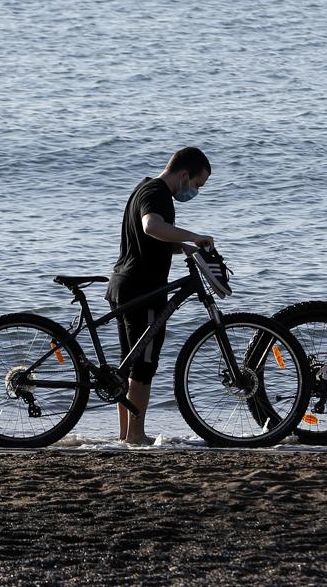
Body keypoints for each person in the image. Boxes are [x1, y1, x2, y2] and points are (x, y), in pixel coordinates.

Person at [106, 147, 215, 445]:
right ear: (183, 175)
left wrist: (185, 248)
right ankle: (137, 436)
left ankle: (126, 435)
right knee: (144, 366)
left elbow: (150, 241)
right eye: (197, 184)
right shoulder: (158, 193)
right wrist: (193, 236)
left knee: (128, 365)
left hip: (124, 284)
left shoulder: (144, 187)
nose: (195, 191)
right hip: (144, 289)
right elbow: (151, 227)